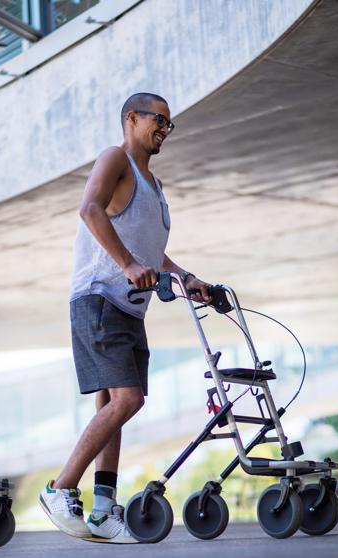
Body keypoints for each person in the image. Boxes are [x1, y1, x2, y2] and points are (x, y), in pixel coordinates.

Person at [40, 93, 212, 543]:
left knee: (114, 407)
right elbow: (90, 210)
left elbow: (151, 252)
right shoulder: (115, 158)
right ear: (131, 118)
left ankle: (101, 508)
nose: (164, 130)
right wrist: (128, 266)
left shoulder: (153, 184)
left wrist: (187, 278)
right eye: (159, 120)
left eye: (169, 125)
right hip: (99, 299)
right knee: (128, 400)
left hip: (129, 309)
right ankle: (58, 489)